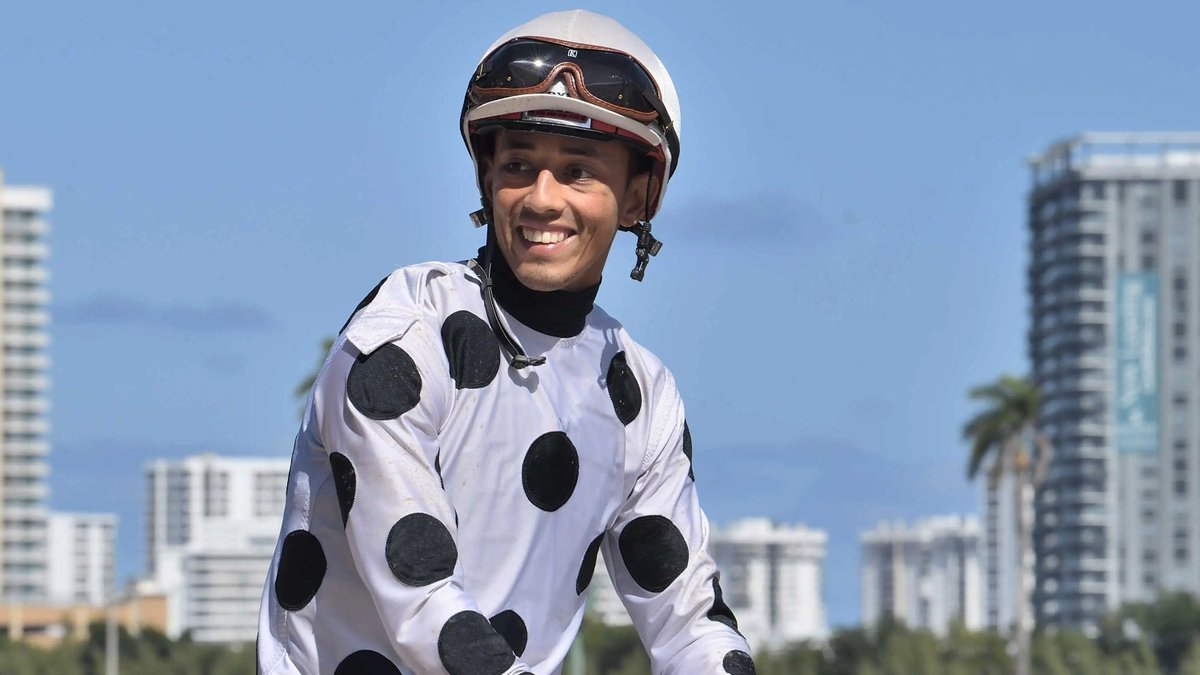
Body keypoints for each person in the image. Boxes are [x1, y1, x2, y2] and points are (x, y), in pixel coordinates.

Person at [257, 9, 757, 675]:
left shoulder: (639, 391)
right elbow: (424, 604)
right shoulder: (403, 339)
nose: (542, 199)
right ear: (487, 180)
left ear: (640, 195)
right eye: (520, 165)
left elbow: (689, 621)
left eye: (578, 171)